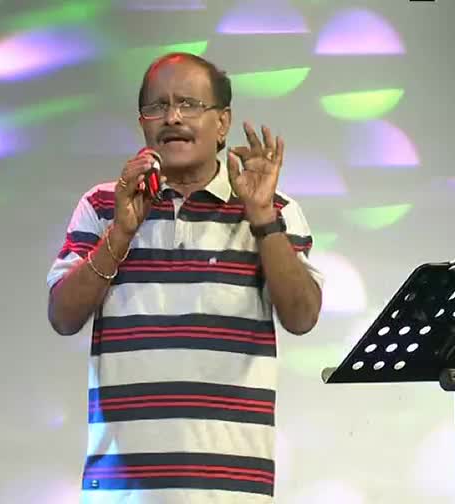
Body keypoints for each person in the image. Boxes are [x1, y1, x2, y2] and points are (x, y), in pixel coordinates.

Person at [46, 52, 324, 503]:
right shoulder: (103, 205)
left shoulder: (274, 208)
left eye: (190, 105)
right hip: (122, 489)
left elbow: (302, 316)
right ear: (143, 124)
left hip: (232, 488)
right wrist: (121, 231)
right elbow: (62, 315)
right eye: (157, 107)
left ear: (222, 123)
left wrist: (261, 218)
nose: (172, 117)